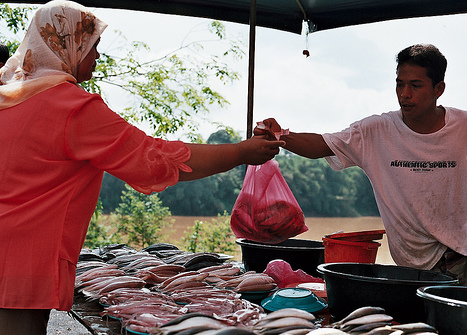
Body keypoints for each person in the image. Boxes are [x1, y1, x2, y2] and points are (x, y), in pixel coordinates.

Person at [0, 1, 284, 333]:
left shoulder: (11, 97)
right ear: (68, 46)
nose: (97, 57)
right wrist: (240, 152)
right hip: (21, 267)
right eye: (93, 47)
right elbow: (155, 159)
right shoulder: (71, 107)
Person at [255, 44, 467, 289]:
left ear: (439, 89)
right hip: (414, 266)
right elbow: (321, 144)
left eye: (415, 85)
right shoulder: (376, 131)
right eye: (399, 84)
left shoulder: (466, 125)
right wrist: (279, 134)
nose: (404, 94)